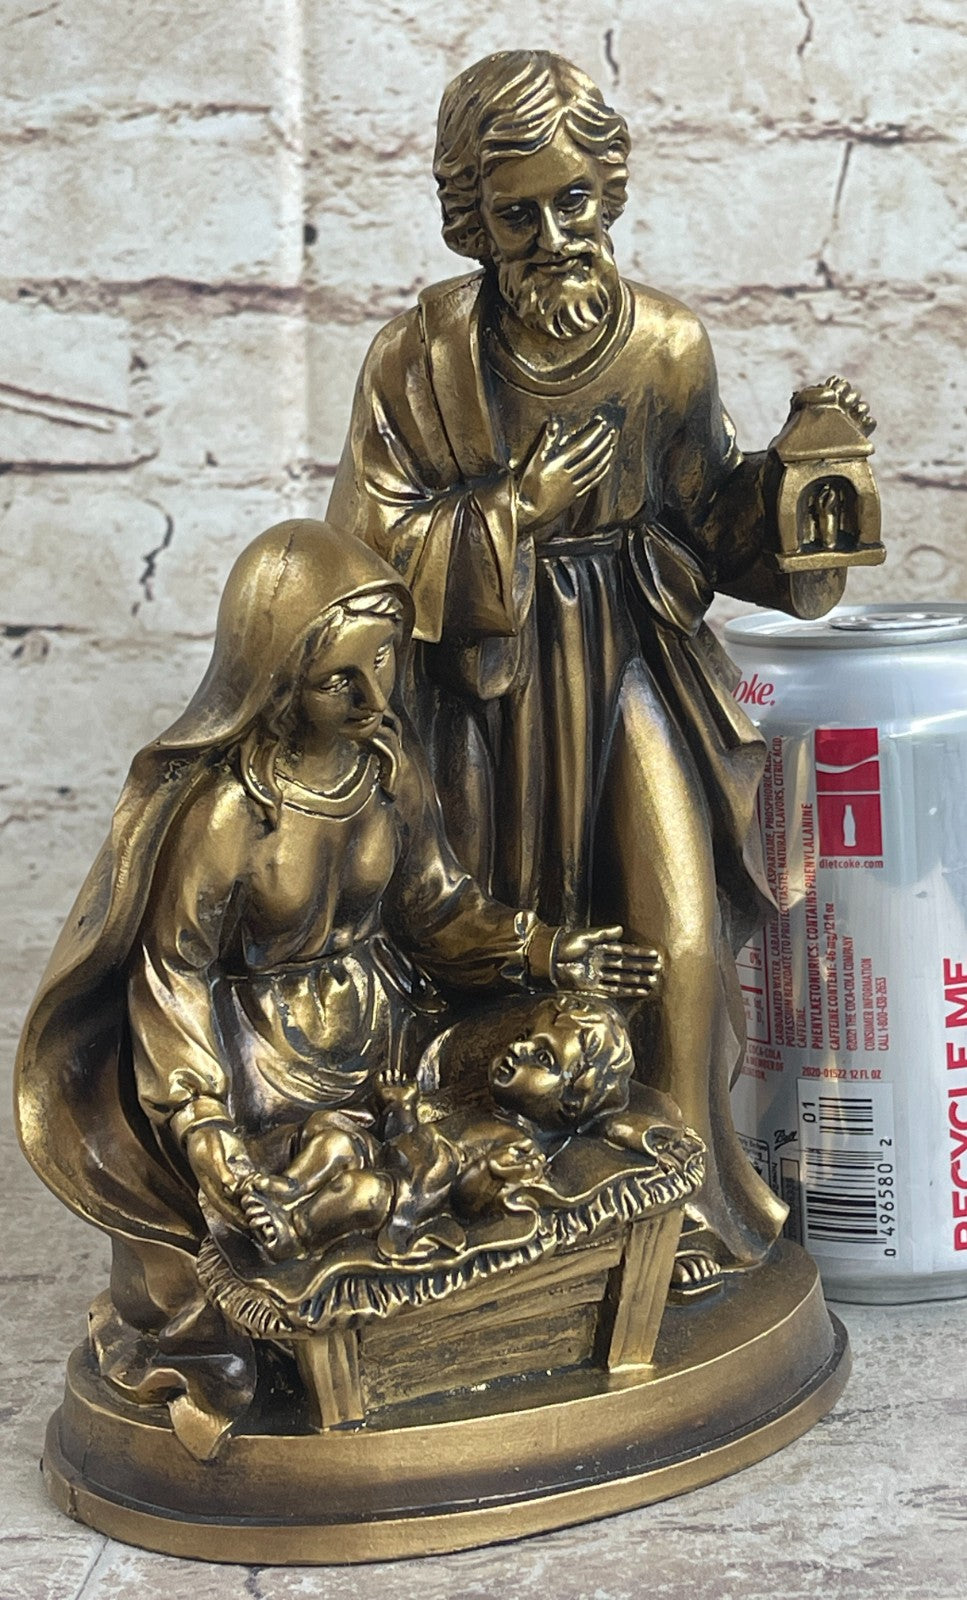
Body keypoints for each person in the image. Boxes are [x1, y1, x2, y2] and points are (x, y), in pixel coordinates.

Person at [328, 50, 869, 1274]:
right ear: (473, 219)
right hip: (480, 692)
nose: (553, 237)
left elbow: (707, 519)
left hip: (631, 664)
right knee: (477, 950)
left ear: (608, 188)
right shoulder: (417, 359)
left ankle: (682, 1204)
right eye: (516, 214)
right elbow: (364, 547)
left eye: (572, 200)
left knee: (675, 932)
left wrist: (795, 479)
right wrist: (514, 511)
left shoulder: (665, 345)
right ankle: (505, 1206)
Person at [15, 517, 659, 1458]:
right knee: (323, 1195)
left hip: (395, 1038)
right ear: (276, 680)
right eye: (338, 680)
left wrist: (546, 952)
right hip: (266, 1071)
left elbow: (437, 909)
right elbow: (173, 973)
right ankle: (329, 1267)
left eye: (384, 662)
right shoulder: (230, 810)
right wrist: (206, 1135)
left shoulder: (387, 768)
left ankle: (524, 1286)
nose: (372, 697)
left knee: (577, 1062)